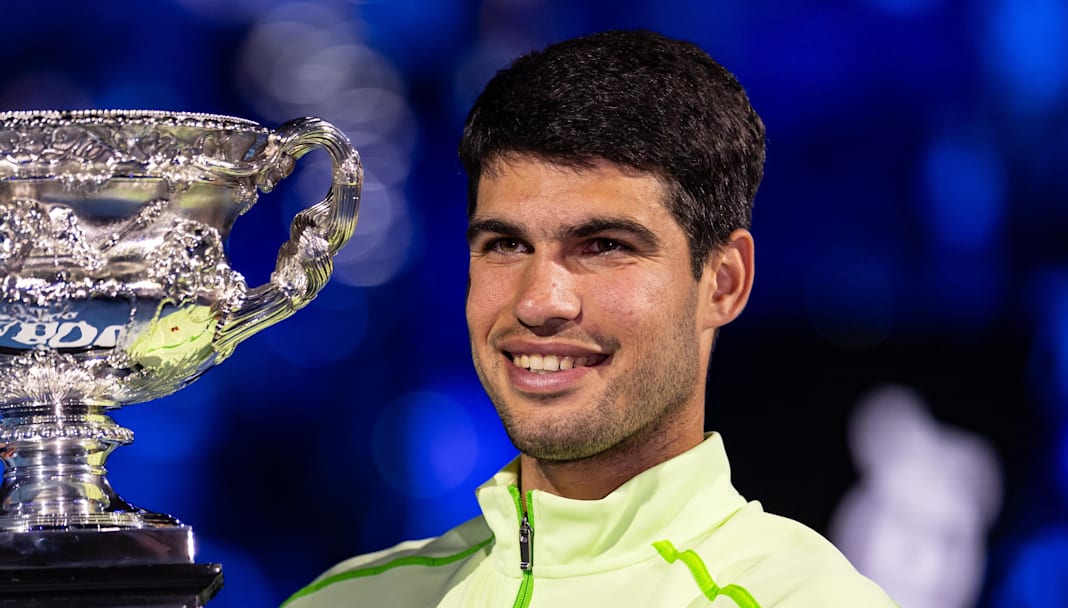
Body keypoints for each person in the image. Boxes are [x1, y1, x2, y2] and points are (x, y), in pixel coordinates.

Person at [283, 29, 896, 607]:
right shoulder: (347, 598)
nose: (539, 301)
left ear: (724, 282)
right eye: (506, 244)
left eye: (605, 246)